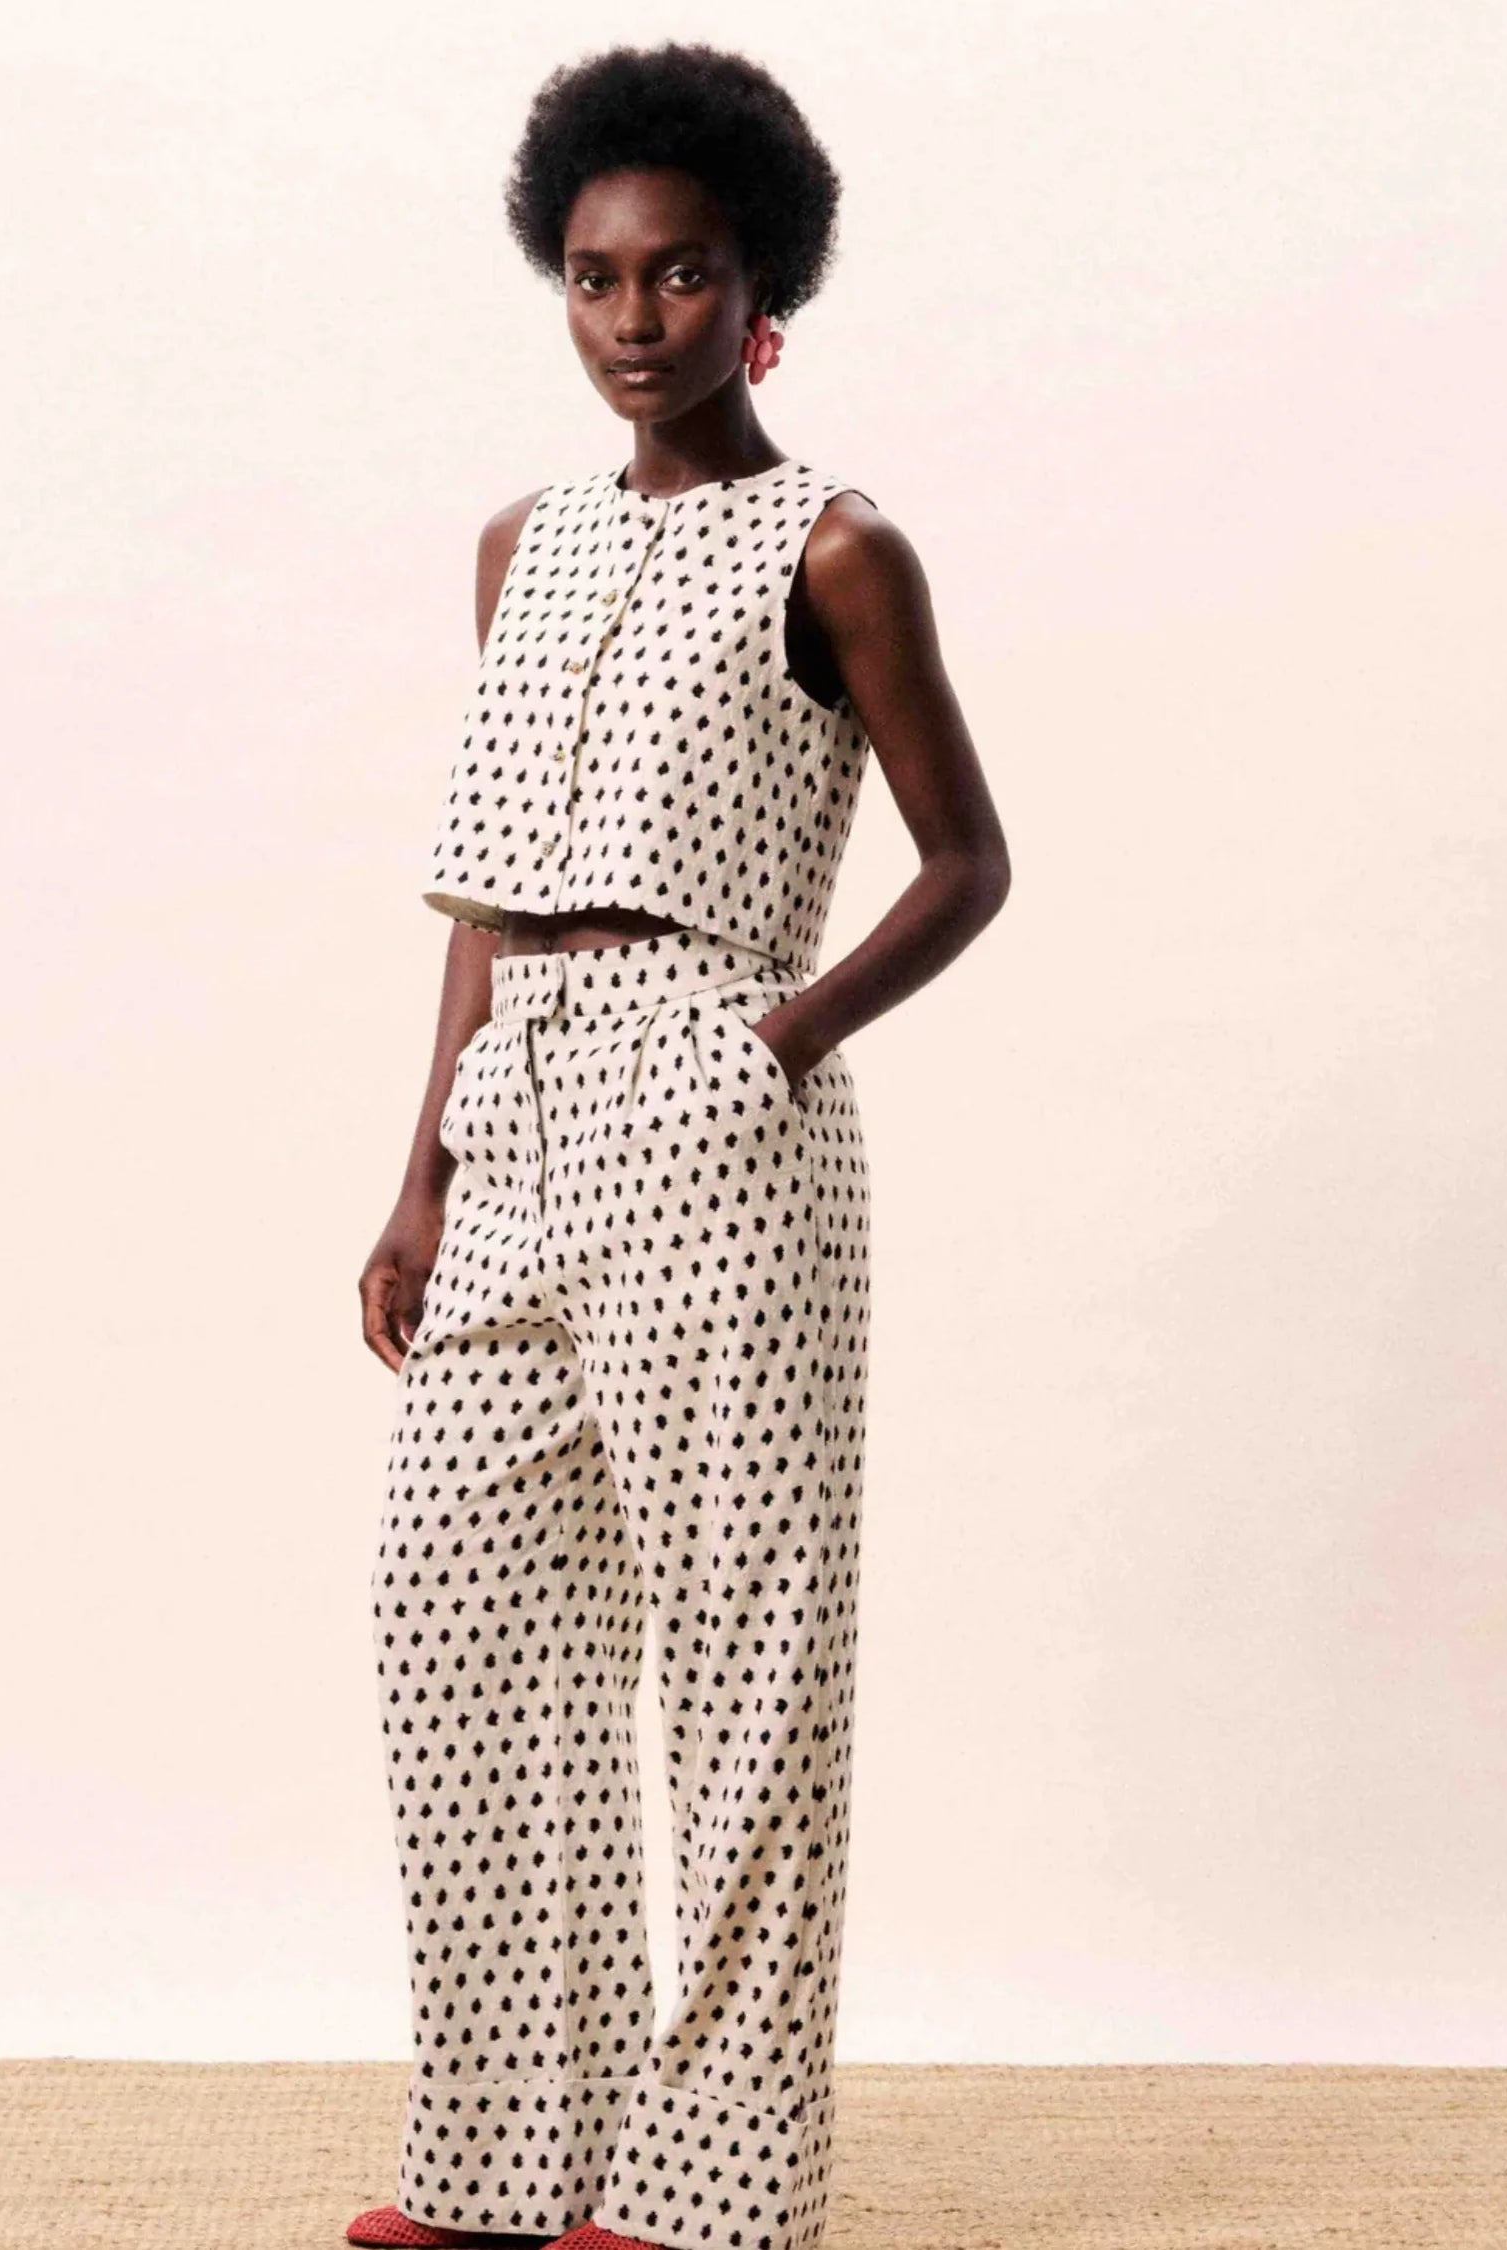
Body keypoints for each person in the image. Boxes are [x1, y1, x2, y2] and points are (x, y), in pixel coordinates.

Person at [353, 39, 1010, 2250]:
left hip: (723, 1121)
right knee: (463, 1616)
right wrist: (424, 1173)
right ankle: (505, 2162)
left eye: (685, 273)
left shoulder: (840, 549)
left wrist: (776, 1038)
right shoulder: (519, 549)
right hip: (514, 1103)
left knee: (743, 1653)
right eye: (597, 276)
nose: (636, 316)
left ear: (764, 291)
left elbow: (969, 861)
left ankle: (713, 2195)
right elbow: (487, 889)